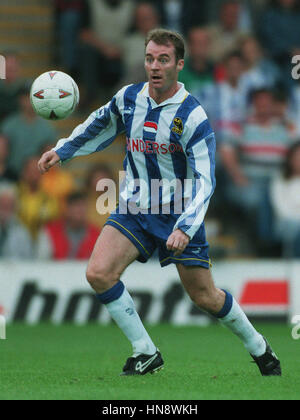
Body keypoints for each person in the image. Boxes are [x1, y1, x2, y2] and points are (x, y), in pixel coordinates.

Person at [38, 29, 281, 377]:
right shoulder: (129, 98)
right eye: (150, 58)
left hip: (178, 213)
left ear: (179, 64)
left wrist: (185, 226)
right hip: (135, 207)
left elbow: (204, 179)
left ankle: (259, 347)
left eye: (163, 59)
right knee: (98, 273)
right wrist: (62, 150)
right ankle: (145, 351)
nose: (155, 65)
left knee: (205, 296)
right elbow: (98, 126)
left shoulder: (193, 116)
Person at [1, 85, 57, 180]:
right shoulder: (9, 125)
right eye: (27, 97)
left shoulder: (46, 127)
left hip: (37, 177)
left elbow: (51, 155)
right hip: (12, 174)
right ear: (20, 100)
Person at [36, 191, 100, 260]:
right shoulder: (49, 232)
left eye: (83, 206)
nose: (80, 210)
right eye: (76, 206)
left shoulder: (97, 235)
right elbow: (41, 263)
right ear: (67, 209)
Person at [270, 141, 300, 257]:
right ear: (290, 159)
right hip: (284, 223)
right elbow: (282, 210)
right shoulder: (279, 180)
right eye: (297, 156)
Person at [0, 183, 34, 259]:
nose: (5, 210)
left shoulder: (22, 232)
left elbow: (29, 261)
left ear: (15, 208)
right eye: (2, 205)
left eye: (9, 206)